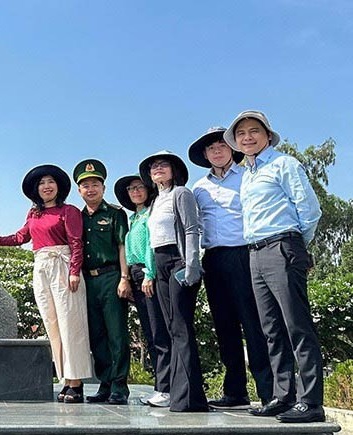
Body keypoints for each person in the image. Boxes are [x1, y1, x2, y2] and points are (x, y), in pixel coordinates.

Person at [224, 110, 324, 423]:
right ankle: (283, 396)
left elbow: (309, 211)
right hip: (254, 253)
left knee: (297, 325)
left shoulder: (284, 164)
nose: (247, 137)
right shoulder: (248, 174)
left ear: (268, 135)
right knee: (271, 329)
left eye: (254, 131)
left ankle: (312, 401)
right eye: (241, 134)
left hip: (282, 246)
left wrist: (294, 245)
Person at [0, 165, 93, 403]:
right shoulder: (33, 214)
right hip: (41, 265)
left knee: (70, 323)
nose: (46, 186)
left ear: (58, 187)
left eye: (50, 182)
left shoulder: (69, 211)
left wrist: (74, 272)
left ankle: (76, 382)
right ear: (37, 189)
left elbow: (77, 242)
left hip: (63, 266)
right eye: (42, 183)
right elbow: (21, 237)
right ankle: (64, 379)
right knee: (52, 324)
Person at [189, 127, 273, 410]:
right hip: (213, 258)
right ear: (205, 154)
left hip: (244, 255)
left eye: (221, 145)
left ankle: (268, 391)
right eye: (211, 148)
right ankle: (235, 391)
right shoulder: (199, 188)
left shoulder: (248, 177)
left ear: (232, 148)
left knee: (253, 323)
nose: (217, 150)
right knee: (224, 326)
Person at [138, 151, 207, 412]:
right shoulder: (156, 201)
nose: (158, 169)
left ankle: (190, 397)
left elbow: (191, 229)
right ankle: (177, 393)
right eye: (154, 166)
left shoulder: (181, 193)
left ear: (173, 170)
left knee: (181, 326)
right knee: (170, 328)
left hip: (179, 261)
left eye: (163, 165)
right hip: (160, 262)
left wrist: (191, 267)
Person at [74, 159, 132, 405]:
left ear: (103, 188)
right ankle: (105, 383)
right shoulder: (77, 216)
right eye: (85, 185)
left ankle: (119, 386)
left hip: (111, 278)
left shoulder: (116, 213)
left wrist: (124, 278)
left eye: (95, 184)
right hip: (88, 281)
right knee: (96, 335)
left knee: (116, 333)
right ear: (79, 190)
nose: (90, 189)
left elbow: (122, 246)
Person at [113, 175, 170, 407]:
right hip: (135, 273)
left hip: (148, 272)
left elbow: (150, 245)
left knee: (159, 332)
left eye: (139, 187)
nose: (135, 191)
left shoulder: (151, 213)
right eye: (131, 188)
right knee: (149, 330)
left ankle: (166, 388)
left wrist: (149, 274)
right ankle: (160, 385)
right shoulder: (134, 217)